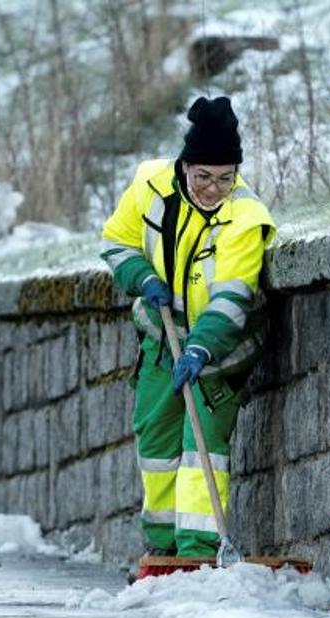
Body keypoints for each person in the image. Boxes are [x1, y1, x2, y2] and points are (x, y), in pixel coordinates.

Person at [101, 96, 276, 558]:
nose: (214, 189)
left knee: (200, 449)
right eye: (204, 177)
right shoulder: (150, 185)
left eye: (225, 178)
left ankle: (199, 549)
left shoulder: (246, 217)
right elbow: (116, 243)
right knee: (156, 441)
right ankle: (163, 552)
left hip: (221, 347)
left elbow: (233, 297)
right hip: (161, 335)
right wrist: (141, 276)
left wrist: (201, 350)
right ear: (185, 167)